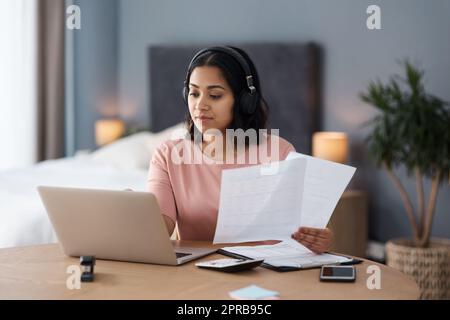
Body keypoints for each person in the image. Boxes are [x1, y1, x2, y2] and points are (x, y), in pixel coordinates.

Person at [148, 46, 333, 253]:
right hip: (196, 275)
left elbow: (303, 229)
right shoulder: (168, 155)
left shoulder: (279, 152)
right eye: (194, 93)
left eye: (215, 95)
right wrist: (137, 214)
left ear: (245, 100)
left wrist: (316, 239)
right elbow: (159, 228)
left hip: (264, 273)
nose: (200, 105)